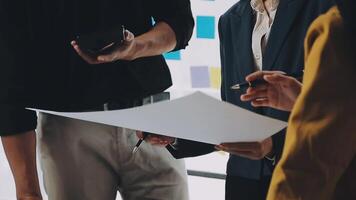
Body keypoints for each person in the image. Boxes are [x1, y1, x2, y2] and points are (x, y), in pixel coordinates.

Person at [0, 0, 194, 199]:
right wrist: (27, 190)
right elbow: (9, 72)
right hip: (70, 128)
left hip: (151, 118)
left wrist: (135, 48)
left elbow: (179, 21)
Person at [141, 0, 334, 199]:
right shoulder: (230, 20)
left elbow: (343, 107)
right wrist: (176, 133)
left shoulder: (331, 9)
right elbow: (233, 111)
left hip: (312, 179)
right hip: (243, 182)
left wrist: (274, 144)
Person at [265, 1, 356, 199]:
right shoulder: (230, 20)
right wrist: (306, 100)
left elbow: (308, 164)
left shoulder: (340, 27)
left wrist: (316, 106)